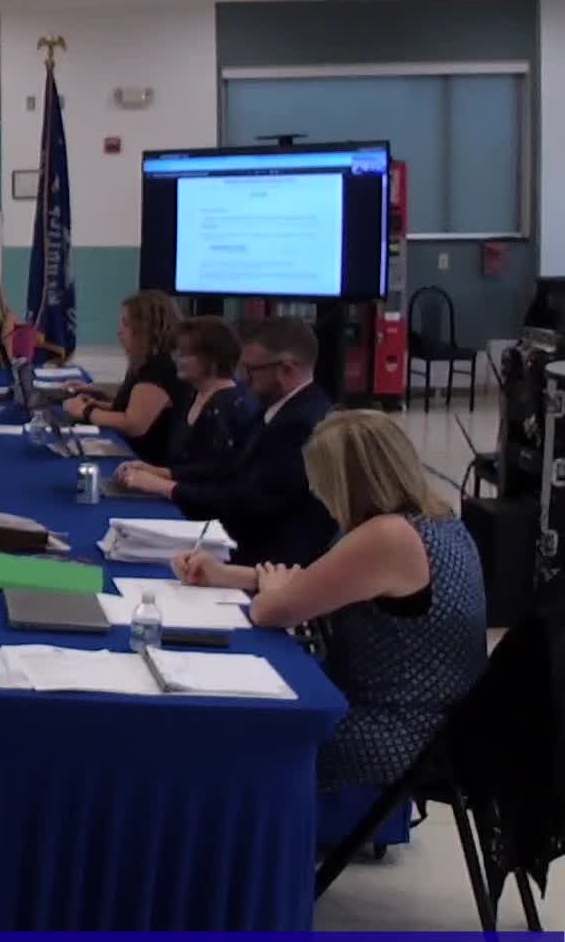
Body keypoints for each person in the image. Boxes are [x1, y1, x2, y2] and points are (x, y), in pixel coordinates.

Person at [174, 410, 487, 791]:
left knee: (227, 731)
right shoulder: (437, 520)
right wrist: (225, 575)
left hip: (391, 733)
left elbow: (271, 611)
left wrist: (271, 593)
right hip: (434, 727)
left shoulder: (386, 537)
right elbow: (323, 583)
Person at [137, 316, 338, 568]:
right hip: (243, 542)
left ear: (286, 370)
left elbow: (246, 501)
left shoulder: (300, 425)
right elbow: (229, 468)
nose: (243, 378)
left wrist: (169, 488)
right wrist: (165, 475)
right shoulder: (282, 408)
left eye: (251, 370)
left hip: (264, 562)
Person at [114, 316, 259, 494]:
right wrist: (155, 471)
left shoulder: (231, 407)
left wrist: (157, 482)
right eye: (178, 352)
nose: (176, 359)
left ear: (212, 359)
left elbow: (218, 478)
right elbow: (193, 468)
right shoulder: (192, 394)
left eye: (185, 354)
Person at [62, 291, 188, 465]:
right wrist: (96, 402)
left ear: (146, 329)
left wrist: (86, 411)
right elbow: (131, 407)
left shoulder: (161, 367)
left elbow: (134, 424)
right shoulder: (144, 361)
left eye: (126, 323)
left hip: (148, 464)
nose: (119, 331)